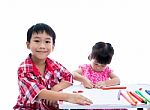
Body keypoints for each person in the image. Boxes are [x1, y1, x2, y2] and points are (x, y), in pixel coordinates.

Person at [13, 23, 92, 110]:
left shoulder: (53, 64)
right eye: (37, 41)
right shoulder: (24, 68)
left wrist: (55, 89)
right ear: (28, 45)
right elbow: (38, 93)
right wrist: (68, 97)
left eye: (47, 42)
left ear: (53, 47)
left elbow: (68, 76)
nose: (42, 46)